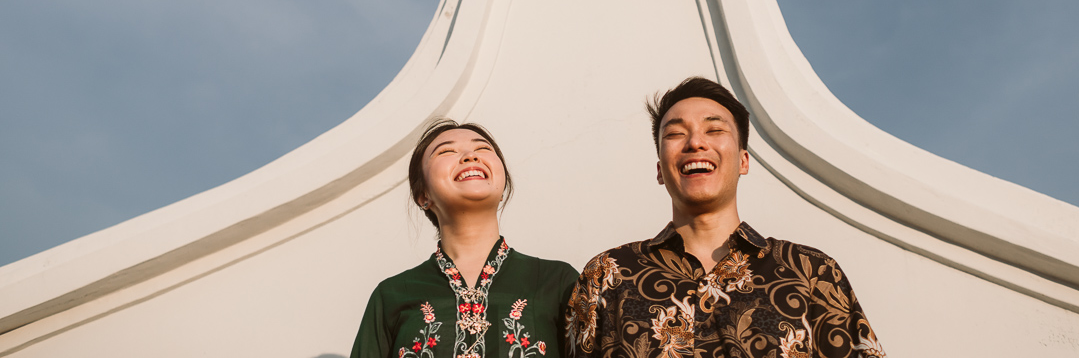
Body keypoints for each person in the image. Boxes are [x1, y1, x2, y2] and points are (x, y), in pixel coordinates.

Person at [565, 77, 885, 358]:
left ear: (744, 161)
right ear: (660, 169)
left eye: (714, 129)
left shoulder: (813, 273)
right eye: (676, 134)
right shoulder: (607, 277)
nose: (695, 142)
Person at [351, 119, 578, 358]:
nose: (470, 156)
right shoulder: (392, 295)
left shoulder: (557, 282)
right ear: (422, 195)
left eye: (482, 149)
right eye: (446, 151)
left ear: (503, 187)